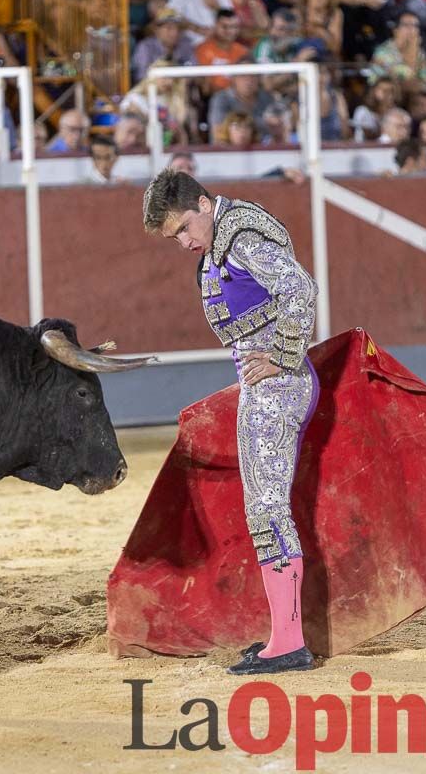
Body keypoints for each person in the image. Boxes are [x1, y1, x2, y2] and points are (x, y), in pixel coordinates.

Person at [141, 169, 319, 676]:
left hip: (277, 383)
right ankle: (285, 635)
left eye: (182, 229)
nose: (182, 242)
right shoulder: (227, 235)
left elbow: (300, 289)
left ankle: (289, 643)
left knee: (267, 509)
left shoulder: (238, 236)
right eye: (173, 236)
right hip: (264, 383)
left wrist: (283, 355)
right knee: (264, 507)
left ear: (202, 203)